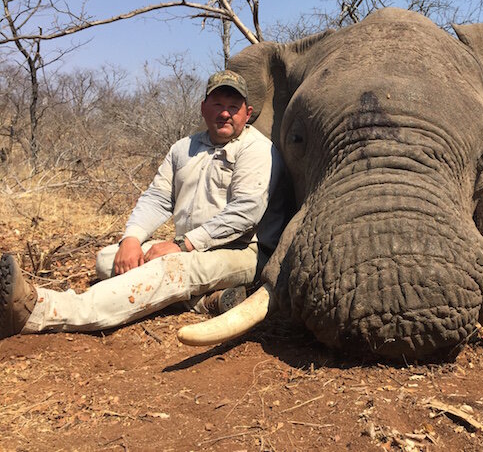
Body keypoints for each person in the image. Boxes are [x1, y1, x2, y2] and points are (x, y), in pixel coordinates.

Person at [0, 70, 286, 339]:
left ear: (247, 113)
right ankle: (205, 302)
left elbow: (245, 213)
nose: (225, 113)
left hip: (242, 251)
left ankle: (40, 311)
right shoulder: (183, 148)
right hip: (191, 246)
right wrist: (132, 238)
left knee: (167, 269)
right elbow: (158, 198)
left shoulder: (258, 149)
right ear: (203, 108)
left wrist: (182, 246)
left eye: (234, 106)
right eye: (218, 104)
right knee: (107, 260)